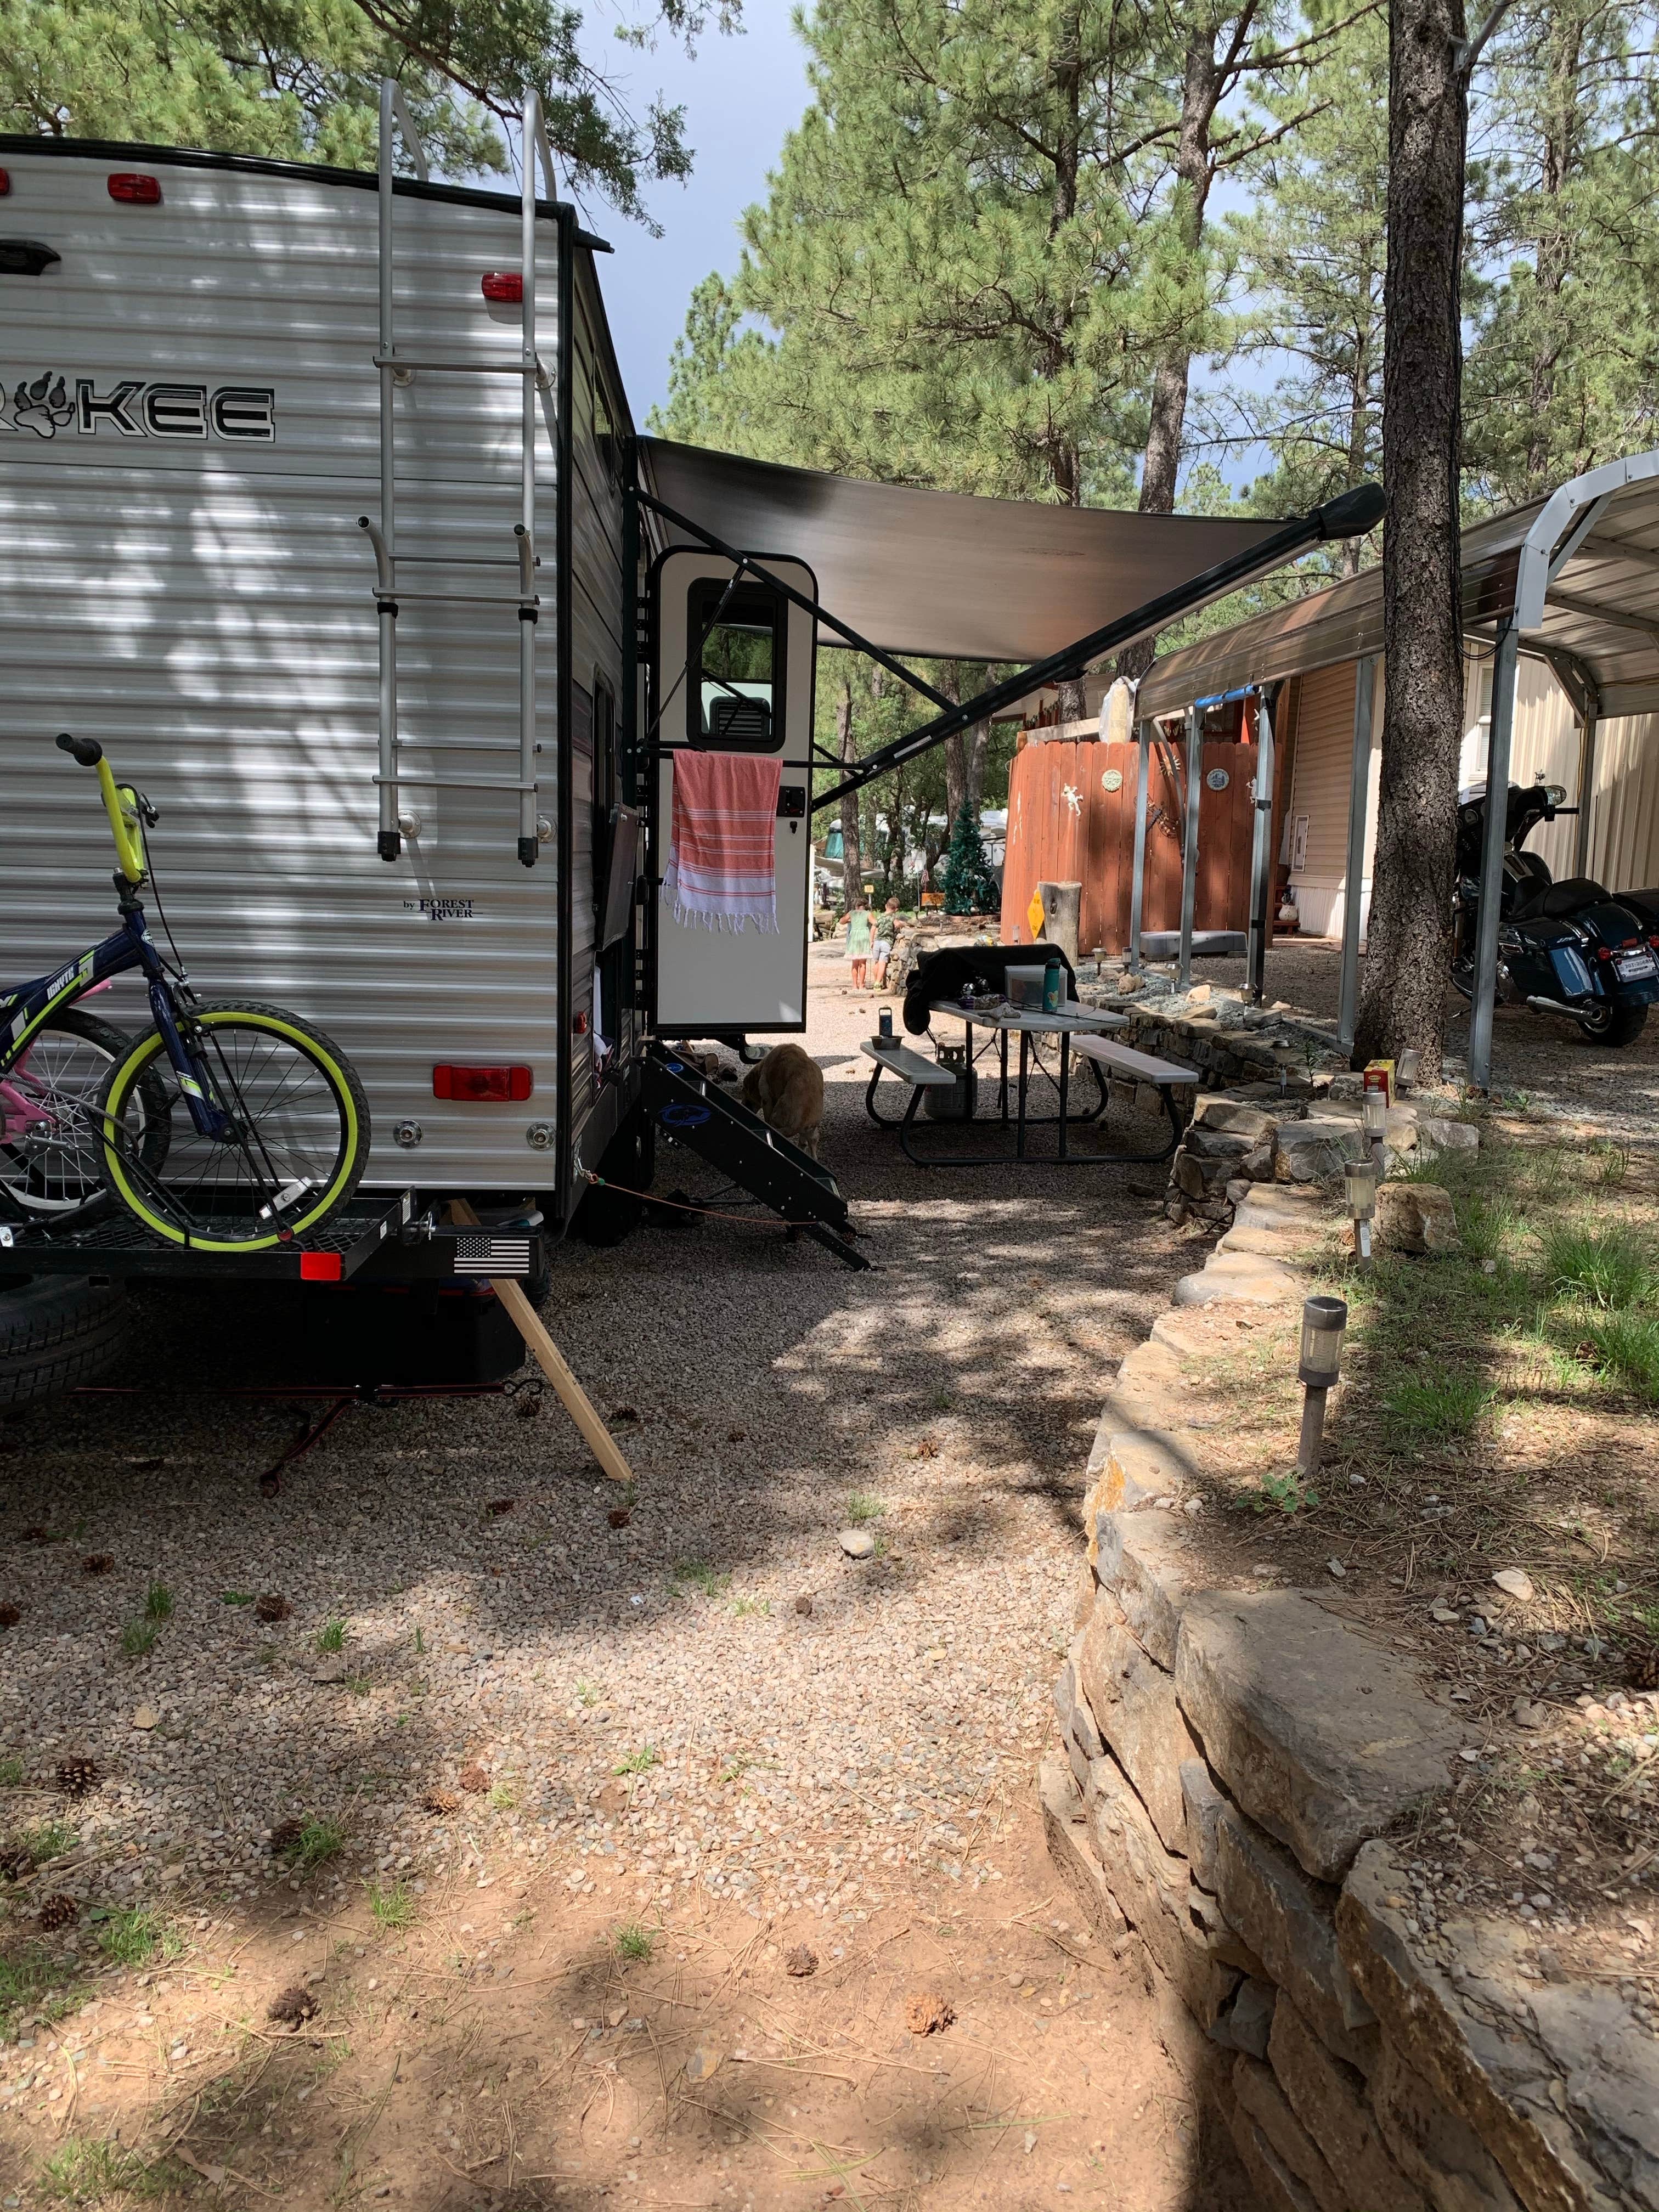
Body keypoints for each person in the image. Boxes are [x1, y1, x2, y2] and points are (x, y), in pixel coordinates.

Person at [871, 896, 900, 990]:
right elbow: (897, 924)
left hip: (877, 941)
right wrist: (904, 924)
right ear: (896, 909)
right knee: (882, 963)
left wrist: (871, 941)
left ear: (885, 906)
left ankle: (876, 981)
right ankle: (877, 983)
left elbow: (873, 928)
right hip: (886, 942)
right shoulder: (893, 917)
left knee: (876, 963)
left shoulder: (880, 916)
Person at [845, 899, 873, 990]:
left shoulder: (852, 913)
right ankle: (861, 985)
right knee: (863, 963)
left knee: (854, 963)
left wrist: (849, 921)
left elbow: (841, 921)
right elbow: (875, 922)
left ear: (856, 906)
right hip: (864, 937)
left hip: (854, 937)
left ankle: (854, 985)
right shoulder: (868, 914)